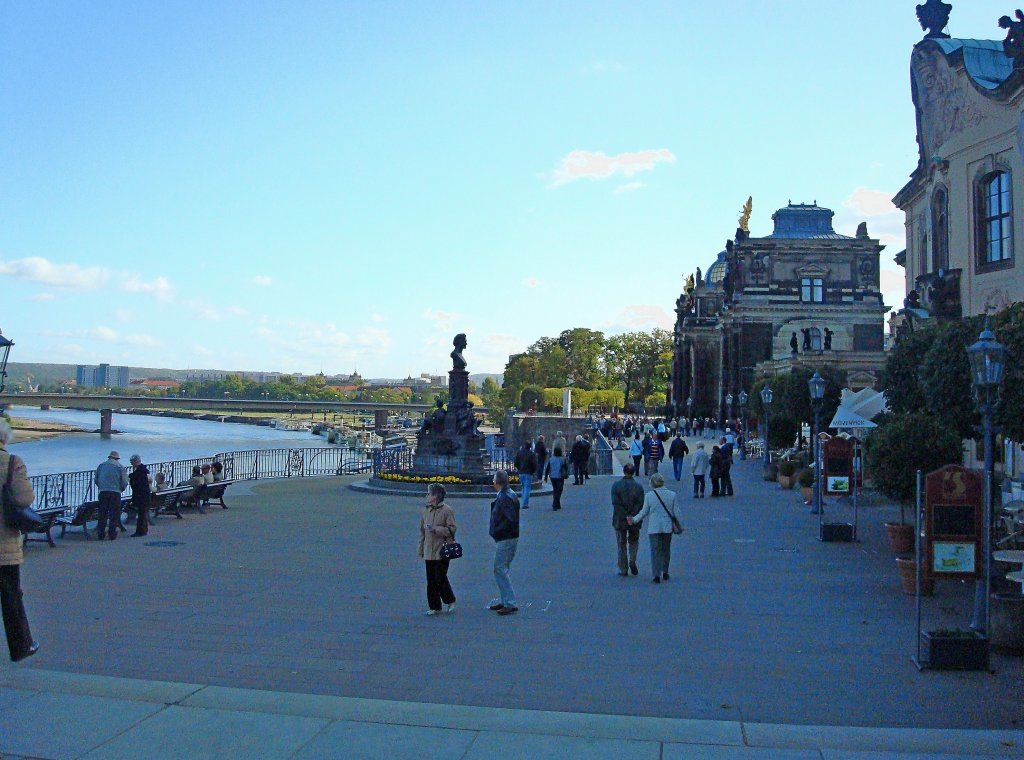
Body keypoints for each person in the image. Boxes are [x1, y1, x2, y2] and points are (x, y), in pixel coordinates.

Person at [0, 420, 39, 662]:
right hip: (4, 544)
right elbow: (25, 499)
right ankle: (21, 646)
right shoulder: (12, 462)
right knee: (11, 596)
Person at [627, 473, 680, 583]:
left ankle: (656, 575)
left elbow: (644, 512)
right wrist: (680, 525)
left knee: (655, 551)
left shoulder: (649, 495)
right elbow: (677, 512)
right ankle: (665, 572)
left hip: (654, 527)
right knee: (666, 550)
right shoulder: (672, 495)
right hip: (667, 527)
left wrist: (634, 520)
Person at [418, 482, 457, 616]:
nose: (427, 496)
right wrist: (421, 548)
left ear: (435, 496)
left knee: (440, 577)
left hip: (442, 549)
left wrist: (436, 530)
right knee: (431, 580)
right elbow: (422, 532)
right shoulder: (425, 510)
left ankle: (450, 600)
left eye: (429, 493)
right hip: (429, 549)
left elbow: (452, 529)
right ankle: (434, 606)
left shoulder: (447, 510)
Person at [489, 470, 520, 616]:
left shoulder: (505, 497)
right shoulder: (508, 493)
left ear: (497, 482)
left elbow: (510, 519)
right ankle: (505, 599)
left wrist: (497, 531)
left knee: (499, 568)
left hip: (506, 538)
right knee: (502, 568)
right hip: (508, 537)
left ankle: (509, 602)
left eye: (494, 480)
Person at [611, 463, 644, 576]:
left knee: (621, 543)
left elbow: (616, 504)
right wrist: (632, 516)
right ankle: (632, 560)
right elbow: (640, 504)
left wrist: (625, 515)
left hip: (620, 519)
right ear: (633, 472)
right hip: (634, 519)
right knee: (634, 541)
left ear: (624, 471)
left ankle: (623, 568)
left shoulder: (616, 486)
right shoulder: (639, 487)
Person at [94, 451, 127, 541]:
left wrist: (102, 487)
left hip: (103, 492)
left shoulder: (101, 466)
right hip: (115, 493)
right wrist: (120, 489)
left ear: (109, 457)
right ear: (117, 458)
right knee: (114, 514)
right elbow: (124, 482)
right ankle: (112, 534)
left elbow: (96, 480)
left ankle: (101, 533)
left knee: (102, 513)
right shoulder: (120, 467)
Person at [128, 454, 152, 538]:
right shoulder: (144, 470)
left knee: (141, 514)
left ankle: (140, 531)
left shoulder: (139, 471)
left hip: (141, 496)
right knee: (142, 514)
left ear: (136, 462)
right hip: (144, 495)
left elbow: (135, 482)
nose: (131, 464)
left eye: (132, 462)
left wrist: (130, 476)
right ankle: (143, 530)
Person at [513, 441, 537, 508]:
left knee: (523, 487)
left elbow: (516, 463)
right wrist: (533, 471)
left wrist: (519, 469)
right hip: (528, 473)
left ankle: (523, 501)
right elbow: (534, 464)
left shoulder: (519, 453)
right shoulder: (531, 454)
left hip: (521, 472)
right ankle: (525, 503)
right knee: (527, 488)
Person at [544, 446, 568, 510]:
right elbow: (565, 468)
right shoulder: (562, 459)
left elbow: (547, 468)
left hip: (552, 476)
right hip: (560, 476)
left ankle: (557, 503)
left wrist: (546, 476)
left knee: (555, 490)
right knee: (559, 490)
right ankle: (555, 503)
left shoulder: (551, 459)